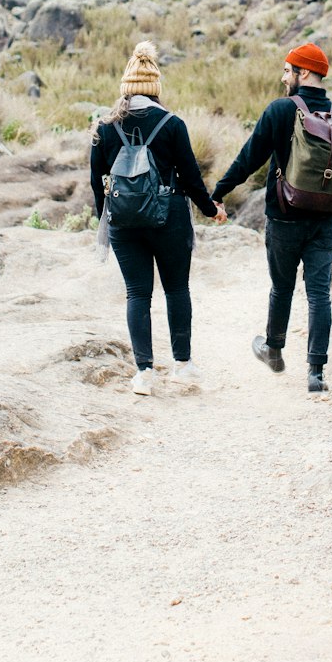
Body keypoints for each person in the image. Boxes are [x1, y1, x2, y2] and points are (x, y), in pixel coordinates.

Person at [211, 42, 332, 394]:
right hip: (324, 220)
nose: (283, 76)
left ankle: (274, 350)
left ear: (303, 72)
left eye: (287, 70)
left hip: (284, 217)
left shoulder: (280, 110)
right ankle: (316, 374)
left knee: (283, 287)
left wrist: (216, 193)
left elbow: (248, 160)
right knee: (319, 294)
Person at [90, 40, 226, 396]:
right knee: (177, 289)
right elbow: (192, 178)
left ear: (125, 89)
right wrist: (212, 210)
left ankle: (144, 373)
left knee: (137, 294)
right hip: (170, 217)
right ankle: (182, 366)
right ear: (155, 90)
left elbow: (96, 181)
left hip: (123, 223)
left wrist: (105, 219)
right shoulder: (172, 123)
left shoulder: (103, 128)